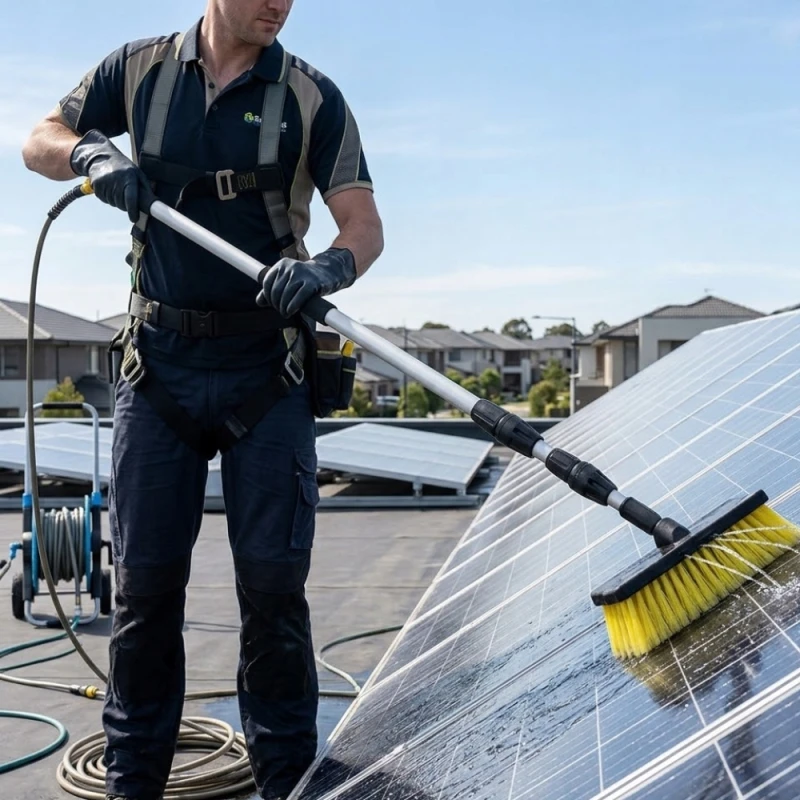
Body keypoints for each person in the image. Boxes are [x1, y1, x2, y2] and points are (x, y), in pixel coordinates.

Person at [22, 1, 383, 798]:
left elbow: (361, 222)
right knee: (147, 592)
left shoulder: (311, 96)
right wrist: (90, 153)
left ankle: (287, 779)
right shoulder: (139, 71)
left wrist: (329, 269)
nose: (278, 5)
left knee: (274, 591)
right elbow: (37, 139)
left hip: (268, 370)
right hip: (159, 371)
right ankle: (134, 781)